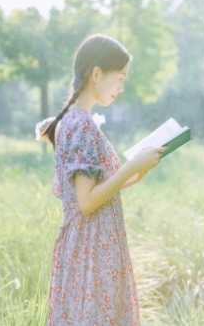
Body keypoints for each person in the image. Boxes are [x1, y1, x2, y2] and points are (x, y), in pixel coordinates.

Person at [37, 34, 167, 326]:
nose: (121, 88)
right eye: (119, 78)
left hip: (94, 247)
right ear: (96, 74)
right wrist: (130, 165)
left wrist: (134, 175)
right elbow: (85, 202)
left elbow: (93, 190)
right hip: (90, 251)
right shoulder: (81, 124)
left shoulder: (76, 119)